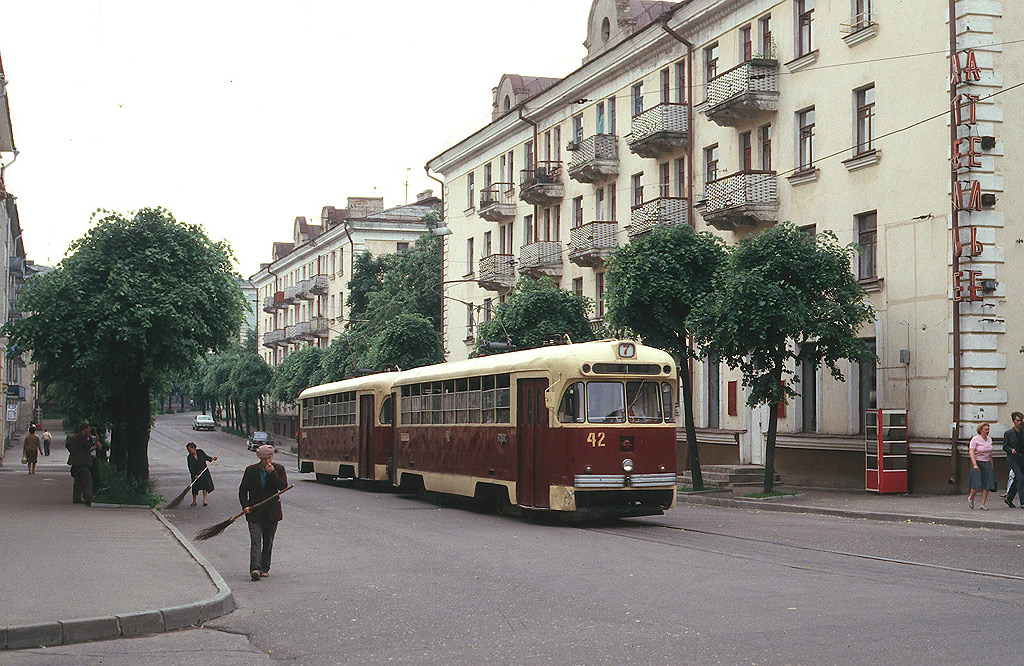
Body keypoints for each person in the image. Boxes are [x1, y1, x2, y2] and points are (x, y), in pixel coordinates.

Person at [238, 444, 287, 581]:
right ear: (261, 458)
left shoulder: (278, 469)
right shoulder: (251, 470)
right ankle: (255, 569)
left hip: (272, 512)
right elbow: (243, 490)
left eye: (270, 457)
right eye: (266, 459)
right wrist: (245, 505)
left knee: (268, 541)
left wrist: (272, 473)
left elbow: (282, 487)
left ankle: (265, 567)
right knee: (255, 541)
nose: (269, 461)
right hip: (254, 512)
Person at [66, 423, 99, 505]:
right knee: (86, 480)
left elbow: (67, 445)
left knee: (78, 480)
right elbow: (88, 446)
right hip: (82, 461)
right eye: (88, 428)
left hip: (75, 461)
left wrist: (74, 452)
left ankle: (76, 498)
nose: (89, 430)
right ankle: (88, 498)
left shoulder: (74, 437)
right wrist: (92, 439)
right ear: (84, 429)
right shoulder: (82, 437)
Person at [968, 422, 996, 510]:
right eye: (986, 429)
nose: (987, 431)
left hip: (986, 462)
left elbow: (990, 452)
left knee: (987, 484)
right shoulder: (975, 439)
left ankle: (982, 504)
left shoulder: (989, 439)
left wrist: (991, 462)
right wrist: (974, 464)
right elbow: (971, 452)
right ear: (981, 430)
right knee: (976, 485)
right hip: (977, 462)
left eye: (988, 429)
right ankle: (971, 497)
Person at [1003, 412, 1024, 508]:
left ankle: (1009, 498)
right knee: (1020, 478)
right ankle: (1023, 501)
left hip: (1022, 458)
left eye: (1021, 420)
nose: (1020, 422)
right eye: (1018, 420)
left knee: (1017, 480)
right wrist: (1011, 450)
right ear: (1013, 421)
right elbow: (1005, 446)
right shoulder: (1009, 433)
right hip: (1014, 459)